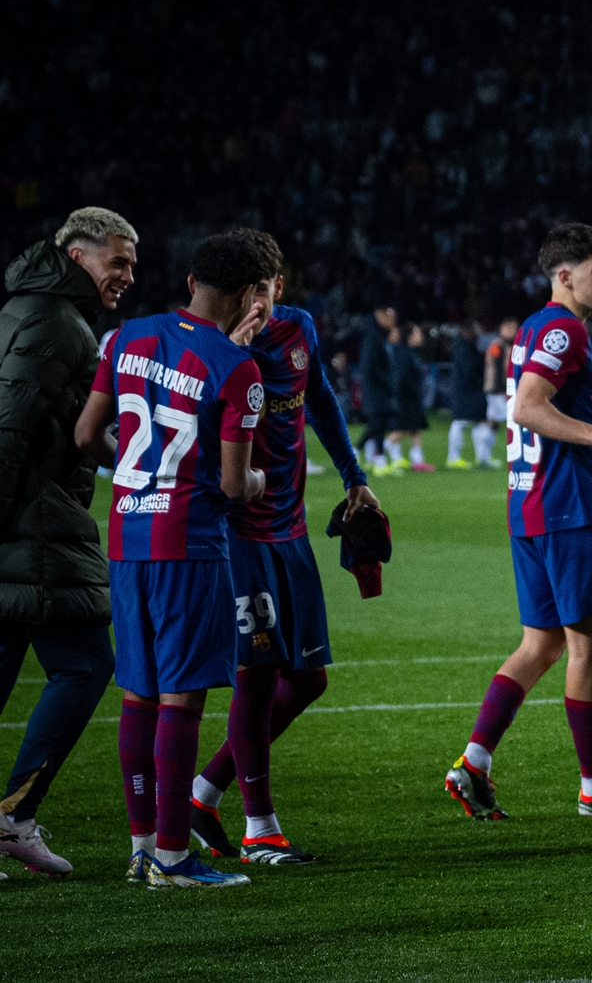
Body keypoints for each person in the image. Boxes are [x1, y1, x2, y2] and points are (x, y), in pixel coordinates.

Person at [75, 231, 273, 889]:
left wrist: (138, 473)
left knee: (139, 694)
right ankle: (171, 854)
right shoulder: (236, 368)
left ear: (191, 282)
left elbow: (85, 435)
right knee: (181, 702)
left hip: (128, 538)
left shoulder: (126, 336)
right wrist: (260, 483)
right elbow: (232, 482)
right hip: (189, 545)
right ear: (249, 295)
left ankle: (140, 848)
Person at [445, 224, 592, 820]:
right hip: (570, 508)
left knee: (542, 643)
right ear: (565, 275)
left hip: (530, 505)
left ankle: (475, 762)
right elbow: (528, 406)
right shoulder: (562, 328)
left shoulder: (538, 326)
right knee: (591, 645)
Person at [185, 229, 378, 866]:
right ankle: (260, 828)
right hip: (236, 534)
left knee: (309, 678)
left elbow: (318, 396)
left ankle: (204, 791)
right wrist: (226, 355)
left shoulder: (298, 331)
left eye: (265, 293)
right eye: (247, 295)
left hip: (289, 530)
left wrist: (354, 478)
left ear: (279, 288)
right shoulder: (206, 351)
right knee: (258, 672)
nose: (257, 307)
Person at [0, 207, 136, 876]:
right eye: (119, 262)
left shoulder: (31, 309)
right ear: (78, 256)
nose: (128, 277)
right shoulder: (56, 324)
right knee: (86, 664)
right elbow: (10, 427)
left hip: (28, 530)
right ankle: (12, 815)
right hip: (33, 531)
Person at [447, 320, 493, 469]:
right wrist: (481, 381)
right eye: (477, 329)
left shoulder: (466, 346)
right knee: (460, 422)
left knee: (479, 421)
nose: (479, 332)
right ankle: (453, 458)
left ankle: (482, 457)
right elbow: (469, 370)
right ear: (468, 331)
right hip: (466, 392)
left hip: (470, 391)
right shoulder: (463, 347)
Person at [388, 323, 433, 471]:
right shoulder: (402, 353)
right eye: (417, 333)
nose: (420, 336)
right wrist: (410, 392)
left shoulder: (410, 352)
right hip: (405, 397)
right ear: (410, 336)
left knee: (415, 428)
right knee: (401, 428)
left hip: (411, 396)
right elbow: (402, 377)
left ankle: (417, 460)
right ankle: (379, 451)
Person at [359, 303, 397, 474]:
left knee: (378, 425)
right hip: (375, 391)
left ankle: (370, 457)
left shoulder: (381, 338)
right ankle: (379, 461)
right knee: (377, 424)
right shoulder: (373, 339)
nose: (392, 320)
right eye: (389, 316)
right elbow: (370, 368)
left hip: (380, 390)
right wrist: (388, 381)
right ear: (379, 316)